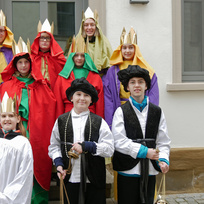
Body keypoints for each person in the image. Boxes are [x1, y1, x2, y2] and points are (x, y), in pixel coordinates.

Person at [0, 37, 56, 204]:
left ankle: (37, 200)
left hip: (36, 132)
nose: (23, 66)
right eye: (19, 62)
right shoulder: (7, 86)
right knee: (14, 164)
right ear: (15, 65)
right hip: (15, 132)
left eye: (26, 62)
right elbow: (1, 113)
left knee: (36, 163)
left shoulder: (41, 85)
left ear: (31, 64)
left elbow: (49, 110)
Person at [49, 78, 114, 204]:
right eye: (78, 94)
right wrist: (58, 164)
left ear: (91, 100)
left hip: (93, 179)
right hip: (70, 177)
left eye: (86, 95)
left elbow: (109, 149)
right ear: (71, 98)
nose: (82, 98)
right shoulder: (61, 121)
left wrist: (88, 146)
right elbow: (54, 146)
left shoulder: (99, 122)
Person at [112, 65, 170, 204]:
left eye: (140, 82)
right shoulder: (121, 111)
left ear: (146, 86)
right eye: (132, 82)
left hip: (149, 169)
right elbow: (118, 140)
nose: (136, 85)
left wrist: (163, 159)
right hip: (128, 170)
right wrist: (144, 151)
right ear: (127, 87)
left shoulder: (157, 111)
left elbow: (163, 141)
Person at [103, 27, 159, 128]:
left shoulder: (146, 69)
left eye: (130, 47)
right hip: (119, 109)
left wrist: (150, 115)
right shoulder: (113, 70)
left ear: (135, 49)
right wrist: (110, 122)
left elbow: (153, 95)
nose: (127, 51)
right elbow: (108, 97)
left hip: (141, 110)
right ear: (120, 49)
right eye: (124, 48)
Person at [54, 35, 104, 118]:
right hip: (68, 115)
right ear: (72, 57)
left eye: (82, 56)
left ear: (86, 57)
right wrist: (60, 120)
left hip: (90, 115)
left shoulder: (95, 76)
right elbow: (59, 103)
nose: (79, 58)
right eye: (76, 55)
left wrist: (99, 120)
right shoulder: (63, 76)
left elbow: (99, 103)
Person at [69, 7, 112, 75]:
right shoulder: (77, 42)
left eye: (92, 25)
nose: (89, 28)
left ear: (96, 26)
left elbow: (110, 64)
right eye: (86, 25)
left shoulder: (104, 42)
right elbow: (70, 63)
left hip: (100, 78)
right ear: (83, 27)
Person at [31, 19, 66, 89]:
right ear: (38, 39)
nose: (44, 40)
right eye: (42, 38)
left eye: (47, 38)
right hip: (37, 91)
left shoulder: (58, 58)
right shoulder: (31, 57)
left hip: (54, 91)